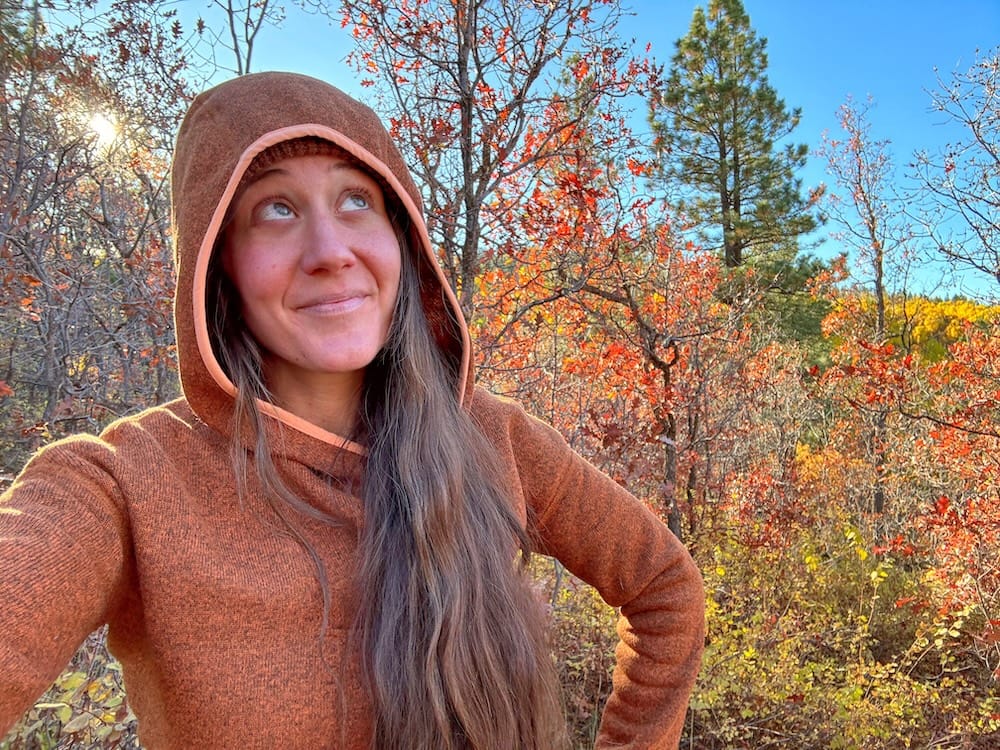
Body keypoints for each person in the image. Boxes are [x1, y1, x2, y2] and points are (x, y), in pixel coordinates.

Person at [0, 71, 704, 749]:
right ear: (219, 263)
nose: (330, 251)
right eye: (275, 208)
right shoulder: (124, 486)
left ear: (402, 239)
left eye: (356, 200)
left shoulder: (492, 437)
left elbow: (666, 587)